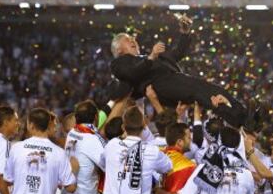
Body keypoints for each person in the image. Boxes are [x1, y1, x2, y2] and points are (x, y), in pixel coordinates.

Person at [110, 14, 263, 129]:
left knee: (214, 91)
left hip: (175, 79)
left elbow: (177, 54)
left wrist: (185, 33)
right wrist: (151, 57)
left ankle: (244, 117)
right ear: (118, 49)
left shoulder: (151, 56)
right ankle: (241, 120)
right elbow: (131, 74)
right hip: (161, 85)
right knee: (201, 93)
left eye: (132, 38)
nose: (132, 40)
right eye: (127, 39)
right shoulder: (119, 63)